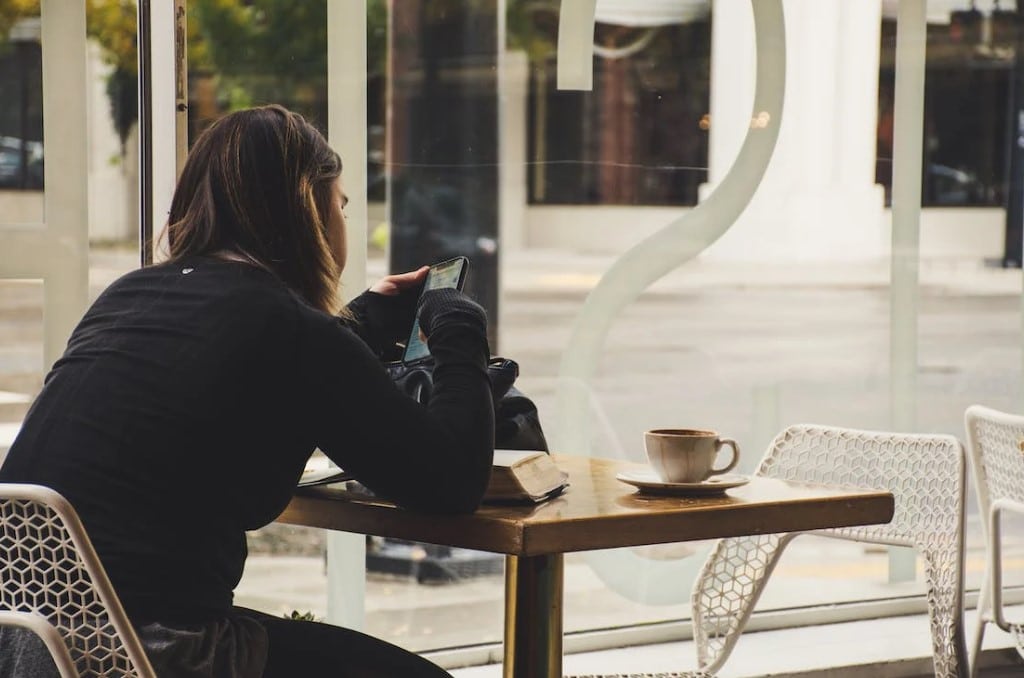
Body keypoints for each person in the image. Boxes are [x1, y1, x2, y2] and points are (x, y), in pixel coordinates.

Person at [0, 104, 495, 678]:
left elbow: (243, 363)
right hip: (145, 653)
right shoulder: (289, 330)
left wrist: (359, 322)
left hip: (23, 641)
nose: (342, 221)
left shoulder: (131, 294)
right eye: (340, 204)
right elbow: (451, 482)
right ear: (308, 208)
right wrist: (458, 326)